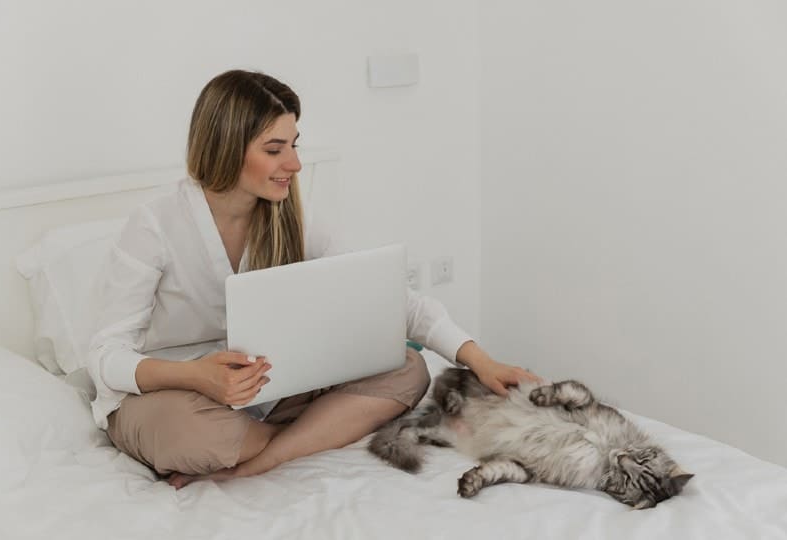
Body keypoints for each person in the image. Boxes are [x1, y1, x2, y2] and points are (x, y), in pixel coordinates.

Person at [86, 69, 540, 490]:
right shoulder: (154, 226)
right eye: (274, 149)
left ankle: (261, 456)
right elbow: (105, 355)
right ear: (226, 146)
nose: (295, 164)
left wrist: (480, 360)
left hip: (267, 392)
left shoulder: (293, 217)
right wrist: (197, 377)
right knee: (195, 433)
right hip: (171, 395)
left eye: (294, 145)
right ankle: (305, 432)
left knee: (406, 366)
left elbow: (389, 301)